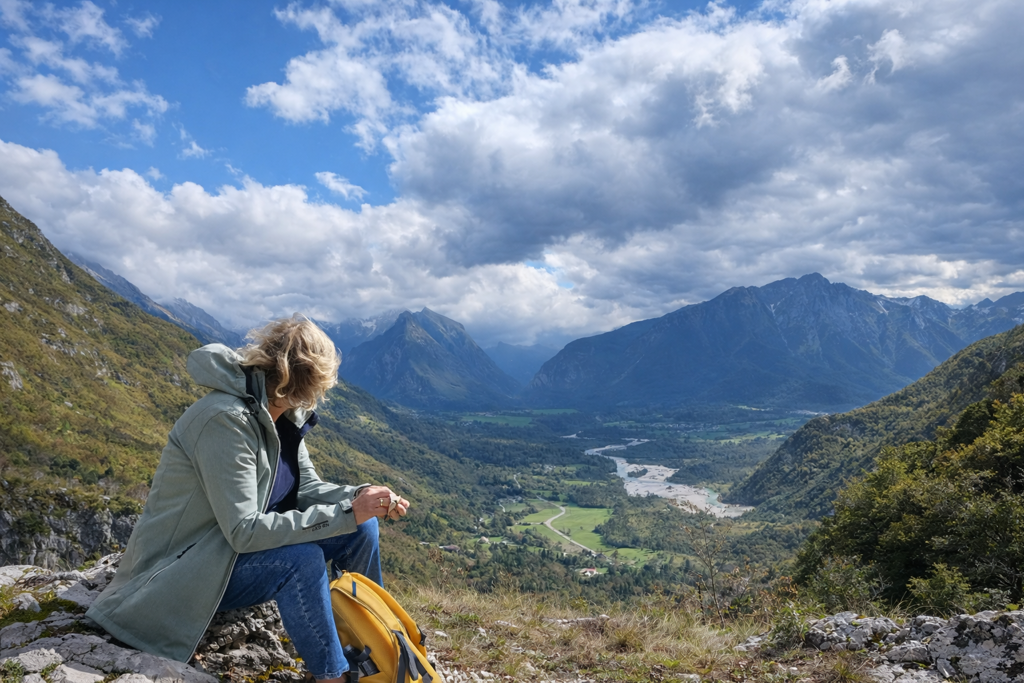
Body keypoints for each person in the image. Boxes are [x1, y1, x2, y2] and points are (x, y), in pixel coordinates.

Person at [87, 315, 410, 683]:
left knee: (362, 528)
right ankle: (334, 676)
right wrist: (347, 511)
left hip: (229, 555)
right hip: (183, 571)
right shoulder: (225, 421)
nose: (314, 398)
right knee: (301, 562)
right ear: (295, 381)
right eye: (314, 387)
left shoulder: (282, 416)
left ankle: (380, 641)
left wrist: (360, 498)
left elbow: (304, 489)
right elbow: (244, 531)